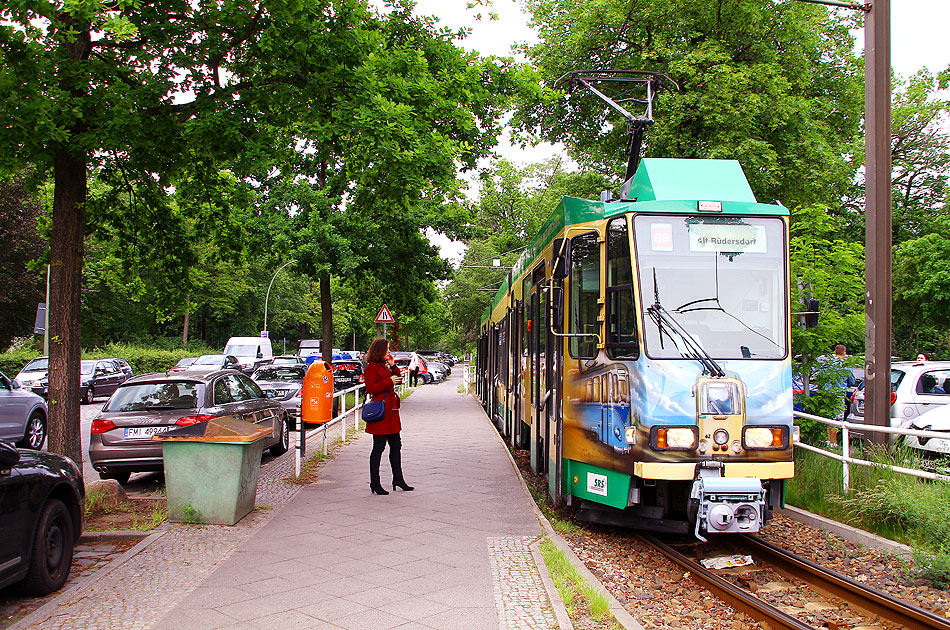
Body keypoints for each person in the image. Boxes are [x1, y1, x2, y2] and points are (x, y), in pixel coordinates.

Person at [363, 338, 413, 495]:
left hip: (391, 412)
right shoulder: (371, 368)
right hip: (381, 413)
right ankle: (375, 483)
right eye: (387, 349)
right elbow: (371, 388)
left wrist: (393, 366)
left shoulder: (384, 366)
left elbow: (398, 380)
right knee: (378, 448)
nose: (389, 352)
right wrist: (388, 381)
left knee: (396, 446)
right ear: (379, 351)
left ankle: (398, 479)